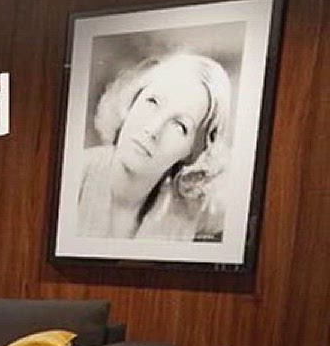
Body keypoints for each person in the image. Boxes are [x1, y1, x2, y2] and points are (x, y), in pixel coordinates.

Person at [74, 52, 231, 241]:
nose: (153, 129)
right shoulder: (72, 174)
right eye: (153, 102)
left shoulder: (199, 214)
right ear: (132, 101)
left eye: (180, 125)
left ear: (193, 152)